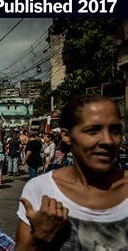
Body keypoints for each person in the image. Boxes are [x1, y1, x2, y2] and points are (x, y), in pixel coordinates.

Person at [16, 94, 128, 250]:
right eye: (92, 131)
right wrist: (40, 238)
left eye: (115, 130)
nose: (107, 141)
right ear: (67, 136)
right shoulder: (41, 190)